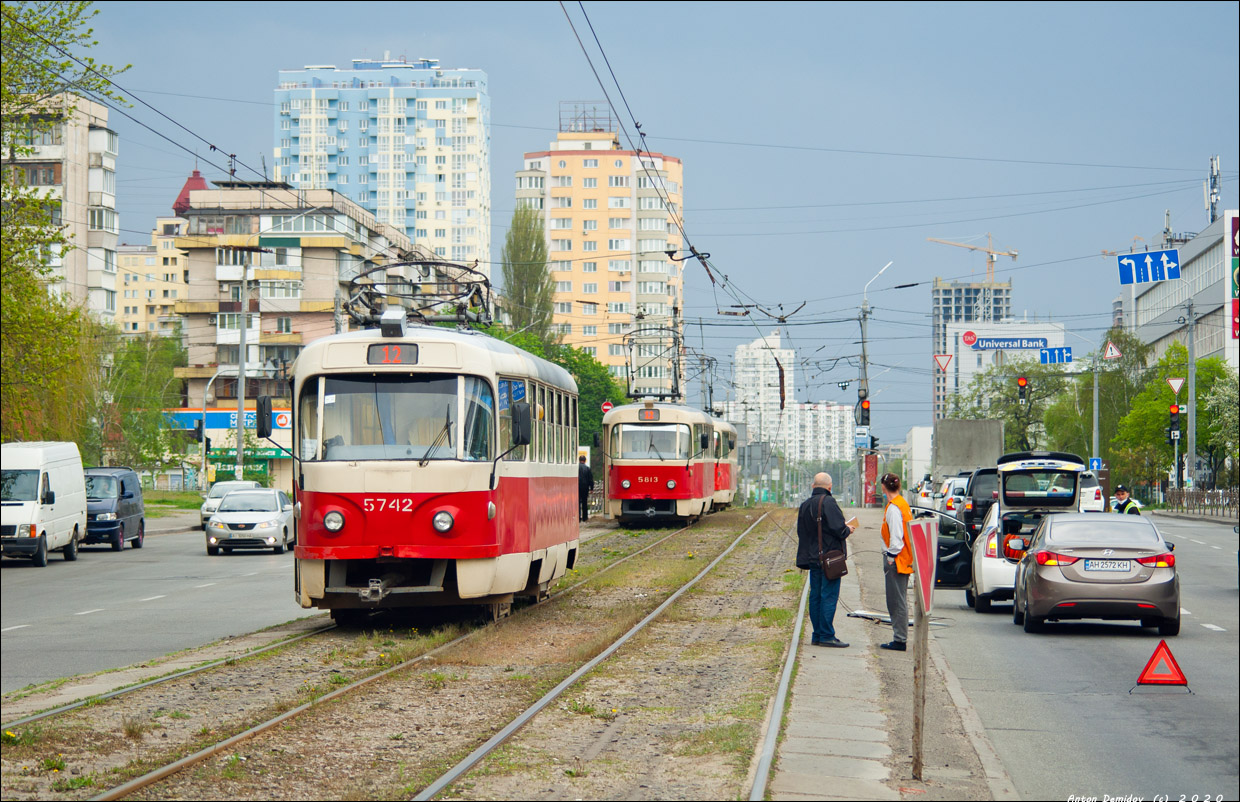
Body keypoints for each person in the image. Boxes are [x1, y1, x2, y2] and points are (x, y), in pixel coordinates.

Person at [796, 472, 856, 648]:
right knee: (828, 596)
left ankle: (817, 634)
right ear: (830, 487)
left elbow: (802, 532)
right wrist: (848, 529)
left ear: (813, 486)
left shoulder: (805, 505)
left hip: (813, 558)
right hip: (830, 558)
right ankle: (827, 635)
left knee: (815, 596)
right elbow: (839, 529)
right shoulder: (829, 502)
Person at [878, 473, 914, 652]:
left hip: (897, 559)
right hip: (903, 558)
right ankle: (899, 637)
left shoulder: (894, 508)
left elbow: (896, 538)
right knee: (898, 599)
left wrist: (890, 557)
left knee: (896, 601)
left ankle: (900, 640)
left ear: (884, 487)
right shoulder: (903, 503)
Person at [578, 455, 594, 522]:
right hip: (585, 488)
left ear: (579, 460)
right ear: (585, 460)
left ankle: (578, 517)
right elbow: (590, 479)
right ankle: (585, 517)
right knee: (584, 502)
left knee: (578, 502)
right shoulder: (587, 468)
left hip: (577, 487)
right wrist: (591, 488)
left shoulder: (576, 468)